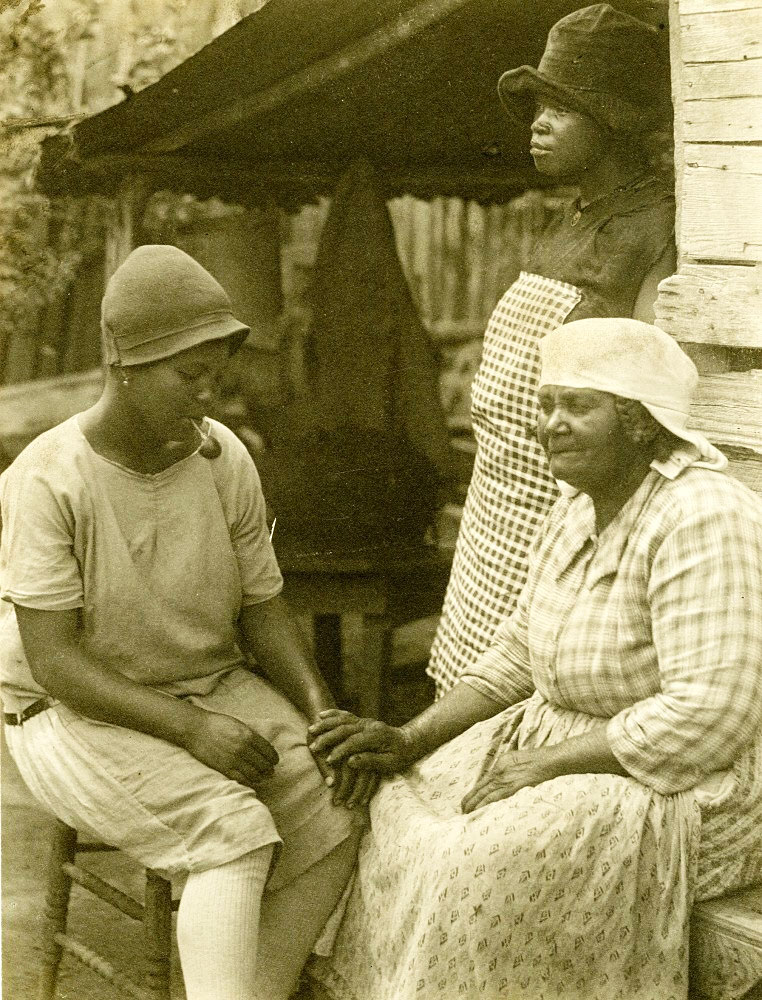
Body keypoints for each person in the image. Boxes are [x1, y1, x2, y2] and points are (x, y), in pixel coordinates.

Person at [307, 318, 762, 1000]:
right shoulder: (576, 508)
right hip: (563, 742)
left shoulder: (703, 516)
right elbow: (520, 653)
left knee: (468, 861)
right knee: (395, 806)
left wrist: (546, 765)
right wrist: (410, 736)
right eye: (546, 405)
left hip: (675, 780)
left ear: (640, 423)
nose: (551, 424)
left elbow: (708, 715)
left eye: (577, 406)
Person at [0, 245, 372, 1000]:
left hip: (207, 685)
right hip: (68, 714)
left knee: (346, 798)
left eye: (216, 372)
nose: (207, 394)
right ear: (121, 362)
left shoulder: (222, 456)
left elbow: (263, 607)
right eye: (187, 374)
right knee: (230, 831)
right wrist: (190, 730)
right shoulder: (50, 477)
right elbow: (56, 662)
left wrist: (320, 710)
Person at [428, 3, 677, 695]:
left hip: (562, 511)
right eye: (536, 105)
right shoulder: (570, 220)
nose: (536, 123)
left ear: (613, 119)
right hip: (495, 501)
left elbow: (647, 404)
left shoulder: (654, 230)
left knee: (516, 693)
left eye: (559, 108)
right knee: (461, 686)